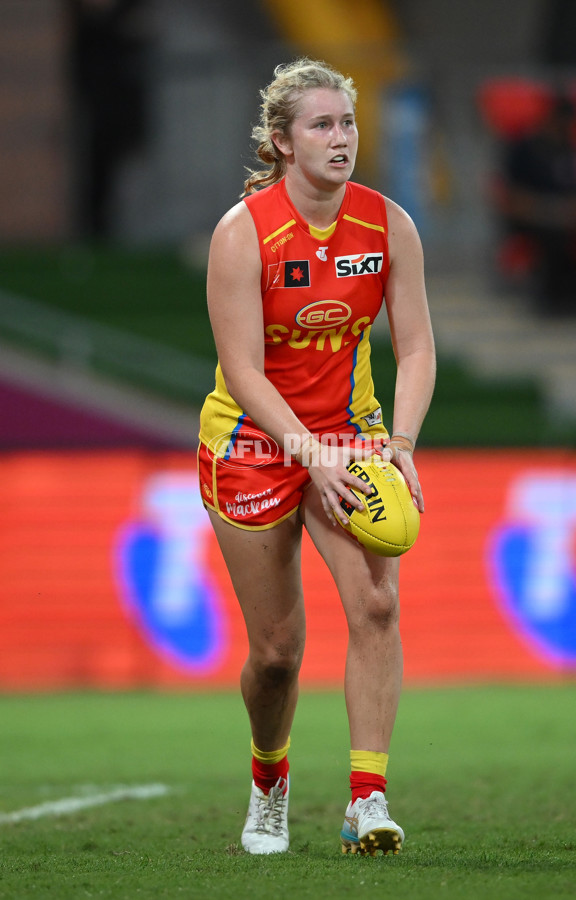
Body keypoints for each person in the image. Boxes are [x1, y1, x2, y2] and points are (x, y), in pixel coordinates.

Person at [198, 58, 436, 856]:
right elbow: (243, 371)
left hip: (349, 431)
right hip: (255, 442)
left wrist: (396, 445)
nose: (341, 140)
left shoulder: (388, 224)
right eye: (322, 125)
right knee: (275, 655)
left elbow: (416, 346)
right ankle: (270, 781)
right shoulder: (243, 233)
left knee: (375, 605)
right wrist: (307, 454)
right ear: (282, 141)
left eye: (348, 123)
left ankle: (366, 800)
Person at [499, 94, 576, 315]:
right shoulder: (523, 148)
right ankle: (553, 298)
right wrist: (551, 211)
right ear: (552, 119)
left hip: (566, 215)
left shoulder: (571, 150)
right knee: (555, 235)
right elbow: (512, 195)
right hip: (531, 216)